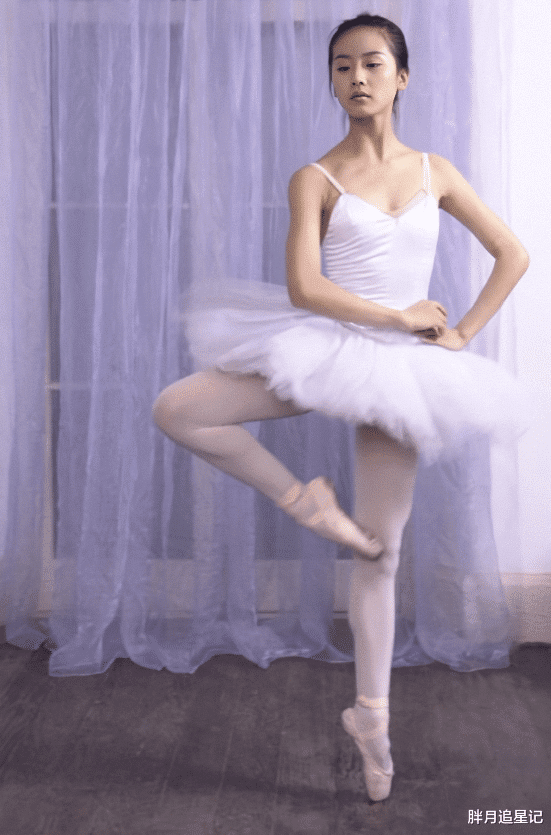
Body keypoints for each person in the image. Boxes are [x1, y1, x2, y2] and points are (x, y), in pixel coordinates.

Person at [153, 13, 529, 802]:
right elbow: (304, 288)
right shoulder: (314, 178)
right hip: (326, 344)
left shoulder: (434, 171)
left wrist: (460, 332)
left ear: (401, 76)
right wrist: (398, 316)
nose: (356, 77)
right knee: (179, 407)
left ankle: (371, 718)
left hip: (403, 371)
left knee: (378, 552)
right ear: (332, 80)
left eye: (371, 63)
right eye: (341, 65)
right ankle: (306, 502)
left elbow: (513, 252)